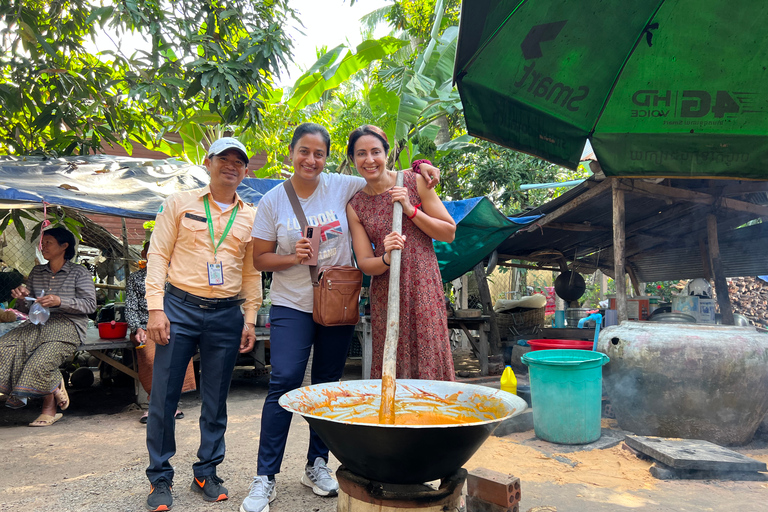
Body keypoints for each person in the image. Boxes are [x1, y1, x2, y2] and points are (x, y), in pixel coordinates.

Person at [241, 122, 440, 512]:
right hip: (291, 304)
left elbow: (384, 171)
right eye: (304, 152)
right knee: (283, 383)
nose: (311, 160)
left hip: (338, 302)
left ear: (329, 159)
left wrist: (422, 163)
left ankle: (317, 464)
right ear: (291, 154)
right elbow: (259, 258)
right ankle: (265, 477)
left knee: (328, 386)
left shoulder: (340, 185)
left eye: (319, 153)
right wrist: (292, 257)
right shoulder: (272, 202)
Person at [143, 137, 261, 512]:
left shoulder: (251, 215)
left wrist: (250, 318)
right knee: (164, 395)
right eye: (223, 158)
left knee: (216, 398)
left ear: (245, 170)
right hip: (179, 308)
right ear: (208, 163)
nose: (231, 165)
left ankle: (206, 471)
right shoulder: (179, 204)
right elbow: (158, 255)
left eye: (238, 161)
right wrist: (155, 309)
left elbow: (251, 271)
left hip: (227, 314)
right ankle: (159, 477)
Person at [347, 125, 456, 381]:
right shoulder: (356, 206)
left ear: (387, 154)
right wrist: (385, 257)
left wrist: (411, 210)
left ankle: (434, 417)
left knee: (429, 351)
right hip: (386, 292)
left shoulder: (414, 182)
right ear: (353, 160)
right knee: (392, 356)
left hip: (423, 285)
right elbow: (364, 262)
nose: (369, 159)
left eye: (376, 151)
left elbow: (448, 232)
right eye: (361, 153)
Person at [0, 227, 96, 426]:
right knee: (5, 346)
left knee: (40, 362)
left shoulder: (79, 273)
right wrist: (22, 298)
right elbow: (30, 308)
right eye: (43, 243)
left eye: (48, 242)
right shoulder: (37, 271)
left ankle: (49, 411)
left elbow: (90, 305)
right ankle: (55, 382)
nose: (43, 246)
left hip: (68, 325)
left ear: (64, 246)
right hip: (38, 324)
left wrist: (60, 301)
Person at [125, 240, 195, 424]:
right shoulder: (136, 278)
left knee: (179, 351)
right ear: (144, 255)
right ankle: (154, 404)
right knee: (149, 356)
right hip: (143, 327)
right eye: (151, 252)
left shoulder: (176, 278)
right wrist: (138, 328)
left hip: (173, 327)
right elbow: (130, 308)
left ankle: (170, 403)